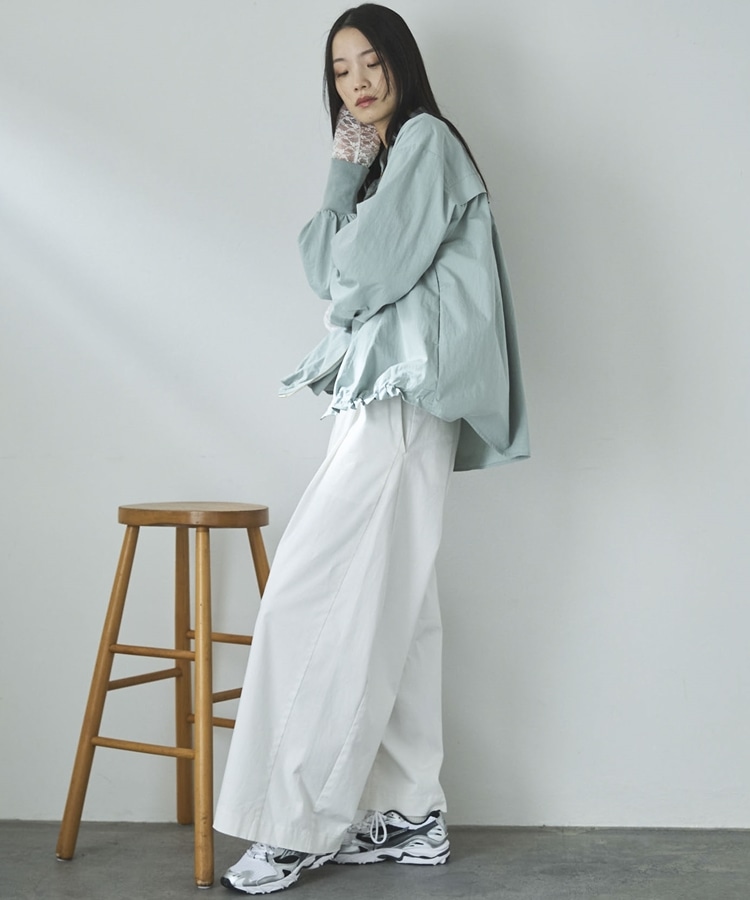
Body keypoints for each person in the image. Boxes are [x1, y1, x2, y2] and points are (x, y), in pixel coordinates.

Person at [214, 3, 529, 894]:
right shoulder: (388, 161)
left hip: (401, 401)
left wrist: (344, 209)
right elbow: (334, 272)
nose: (357, 81)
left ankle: (292, 823)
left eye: (370, 61)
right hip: (395, 400)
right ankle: (411, 813)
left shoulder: (425, 141)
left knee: (313, 597)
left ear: (402, 62)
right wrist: (344, 177)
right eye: (340, 69)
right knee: (400, 612)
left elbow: (353, 273)